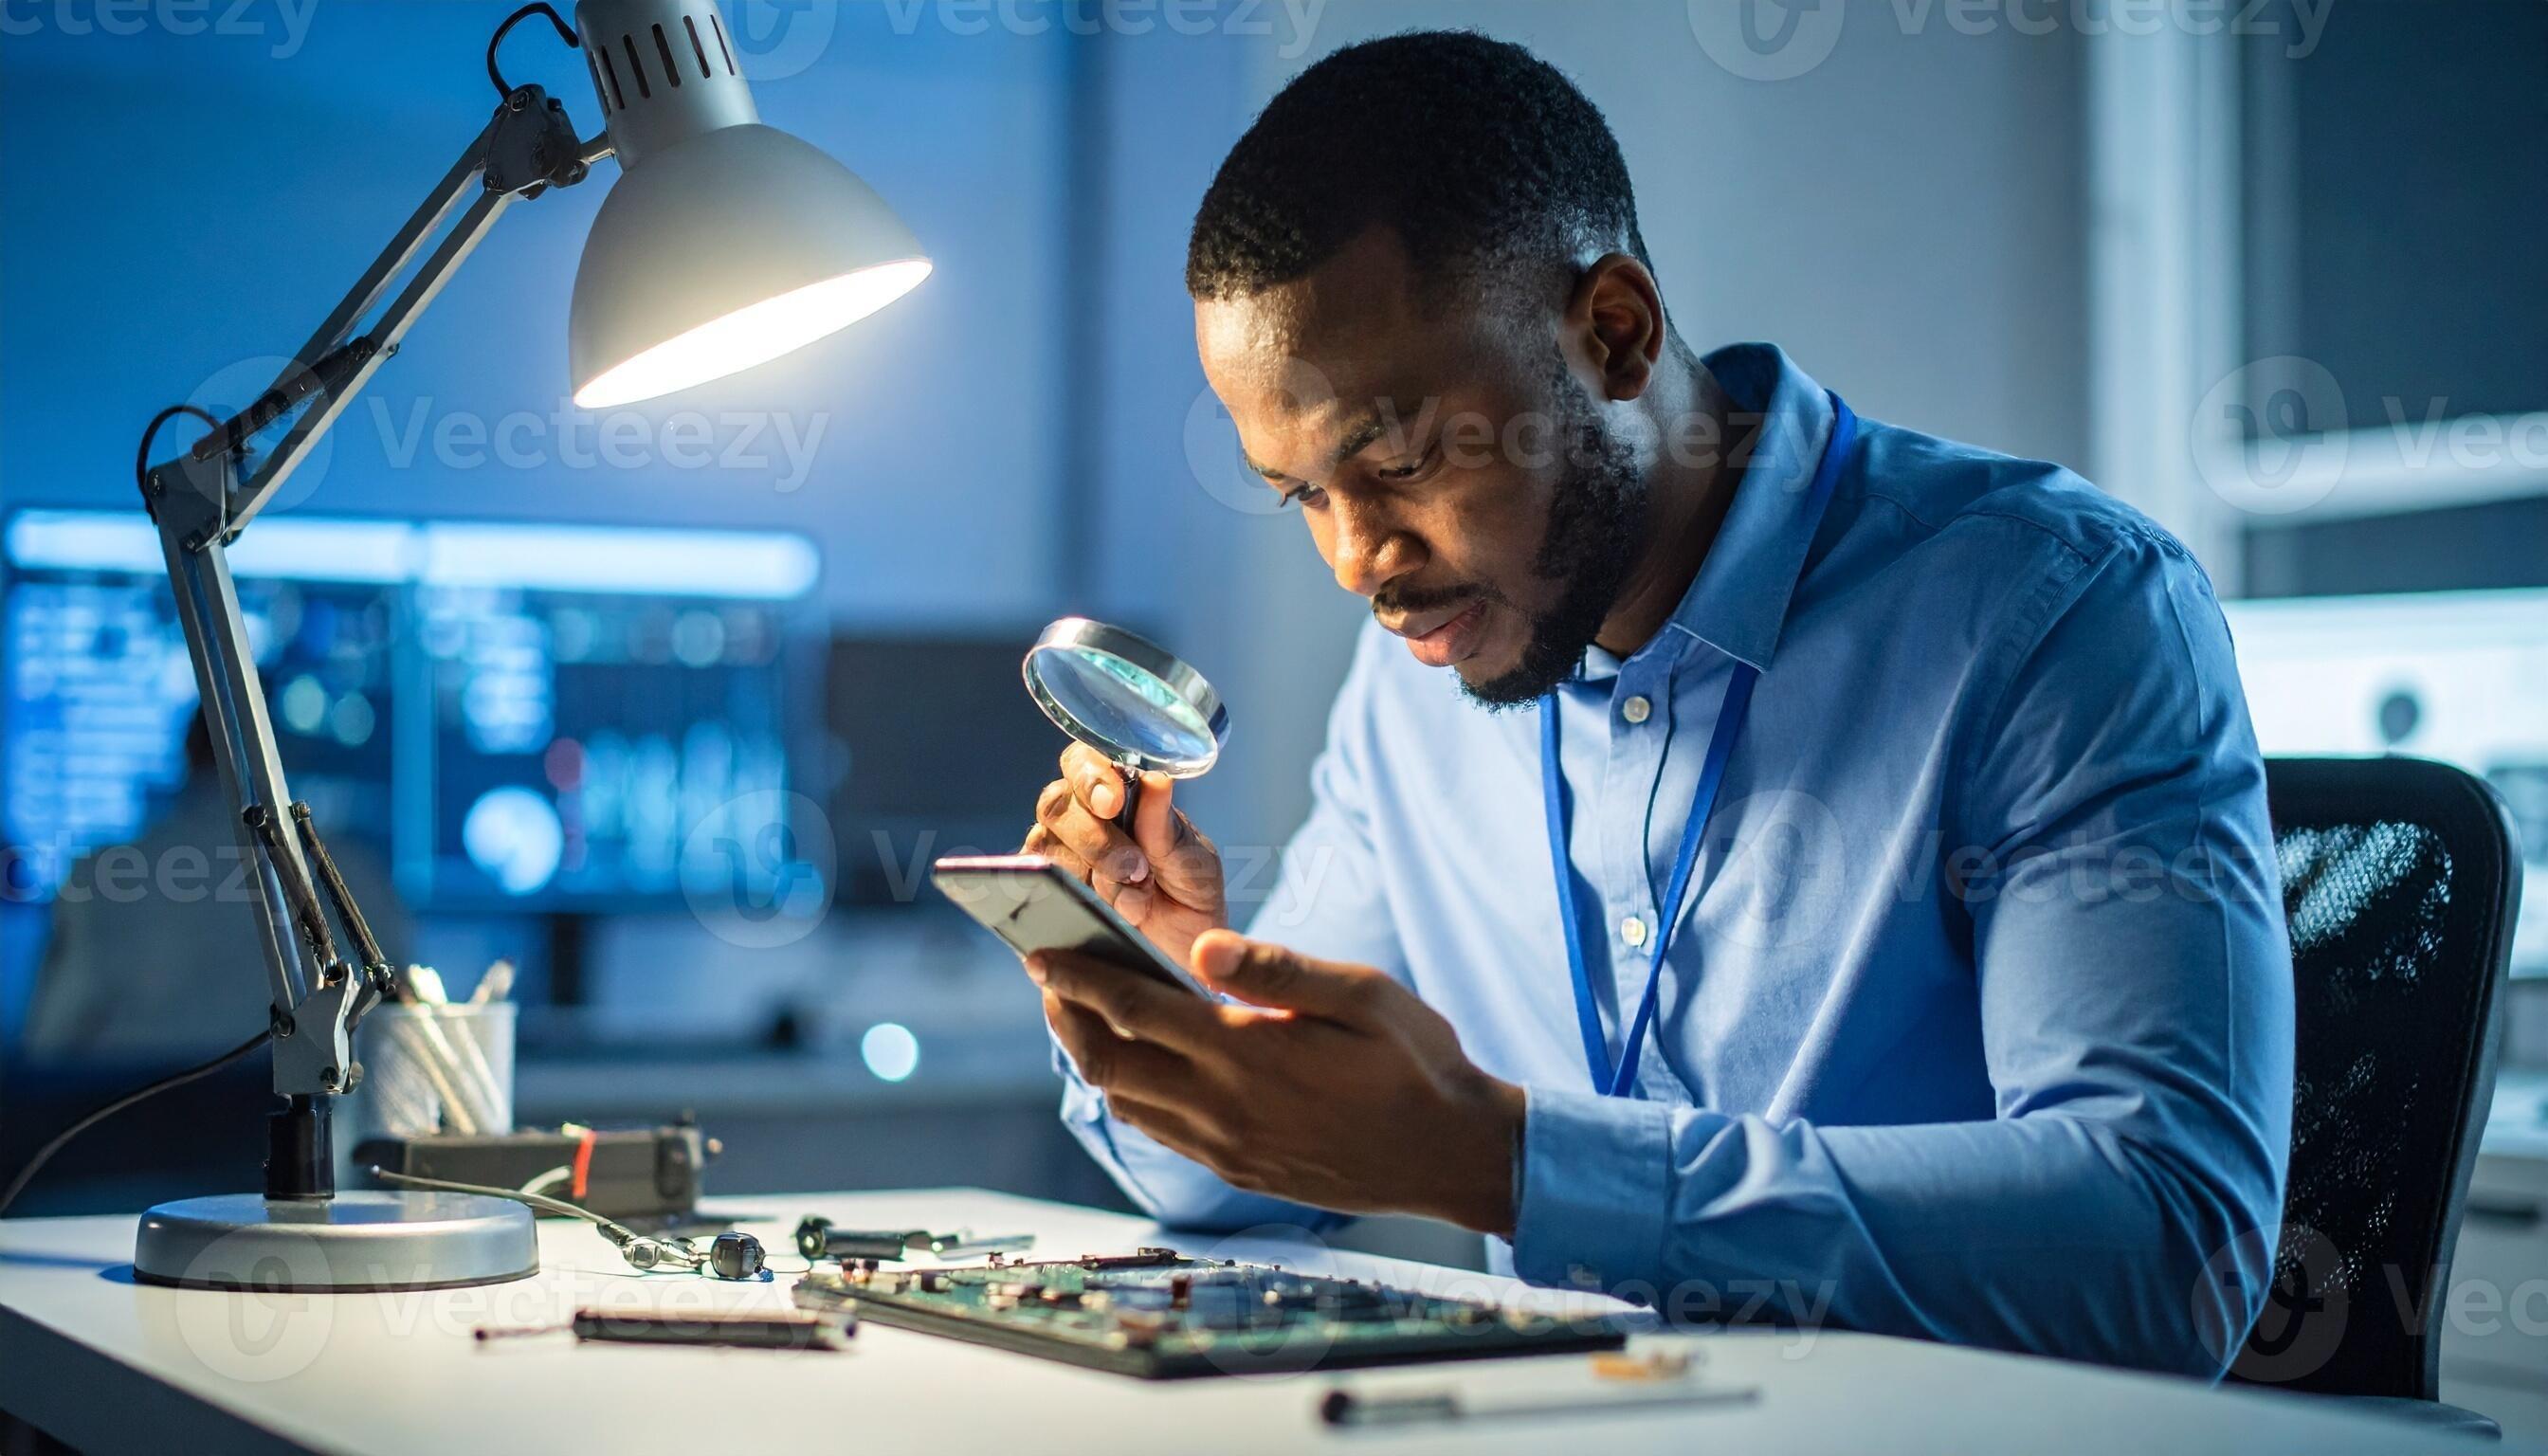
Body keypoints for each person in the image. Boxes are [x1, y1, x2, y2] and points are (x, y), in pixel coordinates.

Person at [1018, 32, 2292, 1378]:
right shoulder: (1420, 687)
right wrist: (1165, 1000)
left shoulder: (2061, 611)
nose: (1356, 562)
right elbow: (1244, 1190)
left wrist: (1506, 1163)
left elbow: (2167, 1252)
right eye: (1306, 496)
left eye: (1396, 460)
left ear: (1613, 335)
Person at [25, 712, 413, 1058]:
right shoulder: (350, 874)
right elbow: (401, 1027)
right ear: (282, 756)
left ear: (186, 755)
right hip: (308, 1127)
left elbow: (48, 1044)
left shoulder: (105, 876)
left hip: (131, 1125)